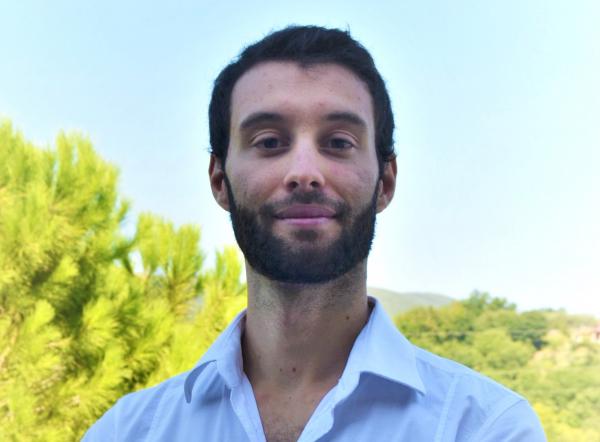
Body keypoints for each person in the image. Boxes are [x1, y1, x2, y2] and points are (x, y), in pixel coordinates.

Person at [83, 25, 546, 441]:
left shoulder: (485, 428)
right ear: (219, 180)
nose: (305, 172)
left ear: (385, 182)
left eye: (338, 143)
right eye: (269, 142)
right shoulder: (127, 432)